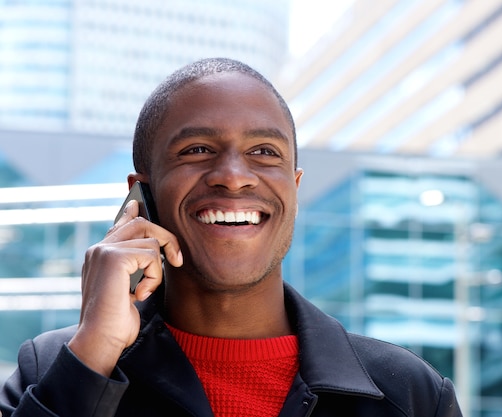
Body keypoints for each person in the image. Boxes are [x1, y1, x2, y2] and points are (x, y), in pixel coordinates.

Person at [0, 57, 463, 417]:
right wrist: (93, 355)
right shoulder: (54, 368)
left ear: (294, 189)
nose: (234, 177)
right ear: (141, 194)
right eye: (196, 150)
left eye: (264, 152)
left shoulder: (409, 393)